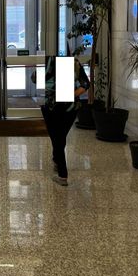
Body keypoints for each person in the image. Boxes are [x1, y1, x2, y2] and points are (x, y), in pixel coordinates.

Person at [41, 56, 90, 186]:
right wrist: (70, 95)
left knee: (57, 138)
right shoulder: (73, 61)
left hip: (52, 107)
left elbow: (35, 79)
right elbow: (85, 84)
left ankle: (62, 174)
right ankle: (56, 160)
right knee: (59, 136)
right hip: (70, 108)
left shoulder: (48, 61)